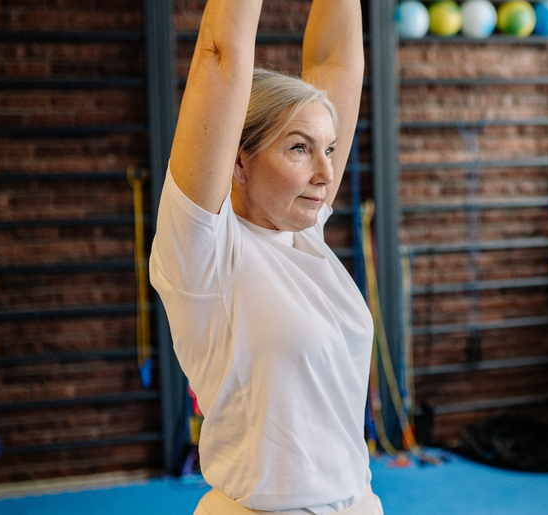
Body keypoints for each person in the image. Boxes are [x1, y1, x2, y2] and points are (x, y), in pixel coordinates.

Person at [148, 0, 379, 513]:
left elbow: (338, 62)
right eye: (299, 148)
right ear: (238, 162)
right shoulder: (205, 255)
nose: (325, 172)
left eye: (331, 148)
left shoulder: (304, 231)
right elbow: (221, 52)